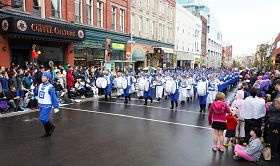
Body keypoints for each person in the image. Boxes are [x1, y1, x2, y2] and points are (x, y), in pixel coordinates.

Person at [38, 71, 59, 137]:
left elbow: (53, 97)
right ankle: (47, 132)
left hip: (47, 105)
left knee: (42, 118)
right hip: (41, 104)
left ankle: (52, 126)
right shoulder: (40, 85)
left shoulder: (50, 87)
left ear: (47, 78)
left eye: (44, 77)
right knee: (44, 119)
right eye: (42, 76)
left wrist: (55, 107)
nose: (42, 78)